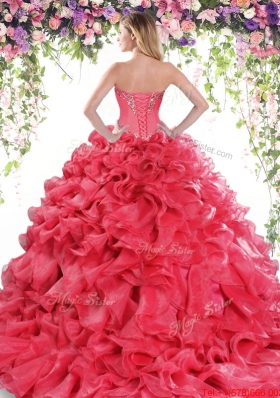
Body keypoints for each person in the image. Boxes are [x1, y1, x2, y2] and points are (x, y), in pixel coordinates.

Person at [1, 10, 280, 398]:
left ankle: (115, 326)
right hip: (162, 155)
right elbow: (200, 104)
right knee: (172, 242)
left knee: (106, 241)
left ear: (133, 33)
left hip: (119, 155)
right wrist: (174, 131)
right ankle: (166, 323)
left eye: (121, 33)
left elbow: (89, 110)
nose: (119, 39)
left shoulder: (118, 67)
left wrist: (111, 137)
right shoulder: (165, 69)